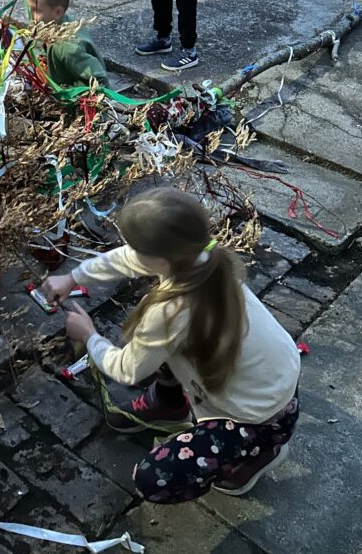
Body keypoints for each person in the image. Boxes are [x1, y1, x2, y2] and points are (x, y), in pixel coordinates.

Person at [43, 187, 301, 503]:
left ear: (161, 259)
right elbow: (129, 259)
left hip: (257, 420)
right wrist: (73, 279)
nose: (129, 252)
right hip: (275, 386)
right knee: (147, 342)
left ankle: (253, 459)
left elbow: (126, 370)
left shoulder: (170, 312)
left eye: (135, 247)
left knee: (154, 479)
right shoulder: (204, 260)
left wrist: (89, 336)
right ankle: (170, 405)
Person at [25, 0, 108, 87]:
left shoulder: (67, 48)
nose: (31, 16)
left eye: (36, 10)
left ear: (58, 12)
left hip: (74, 96)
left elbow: (100, 79)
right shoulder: (57, 23)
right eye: (30, 9)